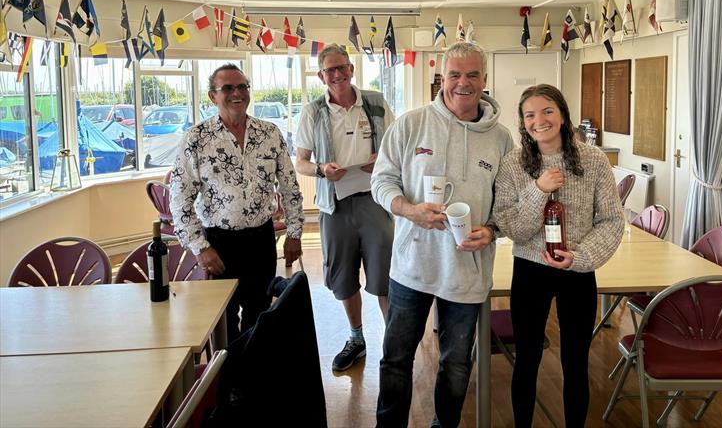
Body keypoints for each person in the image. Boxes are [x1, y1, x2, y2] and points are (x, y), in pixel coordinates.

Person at [371, 41, 514, 428]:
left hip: (467, 270)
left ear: (485, 79)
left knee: (455, 364)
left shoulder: (501, 139)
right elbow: (381, 181)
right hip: (412, 266)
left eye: (472, 75)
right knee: (396, 358)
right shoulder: (411, 124)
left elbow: (508, 202)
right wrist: (409, 209)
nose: (462, 83)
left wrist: (494, 229)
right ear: (442, 78)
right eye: (455, 74)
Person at [493, 84, 624, 428]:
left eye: (548, 111)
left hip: (577, 272)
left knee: (576, 361)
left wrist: (579, 257)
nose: (540, 120)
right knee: (527, 359)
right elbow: (512, 228)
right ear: (523, 123)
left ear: (563, 115)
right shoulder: (513, 164)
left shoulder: (593, 160)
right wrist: (538, 190)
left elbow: (611, 220)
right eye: (530, 115)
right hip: (530, 270)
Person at [170, 63, 304, 340]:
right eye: (228, 88)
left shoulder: (269, 134)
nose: (237, 93)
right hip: (219, 243)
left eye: (242, 86)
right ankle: (229, 377)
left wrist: (294, 233)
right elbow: (180, 198)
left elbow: (289, 186)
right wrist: (200, 248)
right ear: (212, 96)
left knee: (260, 312)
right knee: (223, 317)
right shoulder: (197, 139)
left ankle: (254, 376)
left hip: (261, 240)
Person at [295, 44, 395, 372]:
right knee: (343, 277)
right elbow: (302, 163)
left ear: (351, 69)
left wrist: (382, 161)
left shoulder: (376, 102)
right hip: (334, 206)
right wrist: (322, 169)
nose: (336, 75)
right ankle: (356, 338)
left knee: (384, 274)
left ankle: (393, 343)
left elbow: (397, 147)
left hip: (375, 201)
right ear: (321, 76)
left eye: (341, 68)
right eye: (329, 70)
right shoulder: (313, 111)